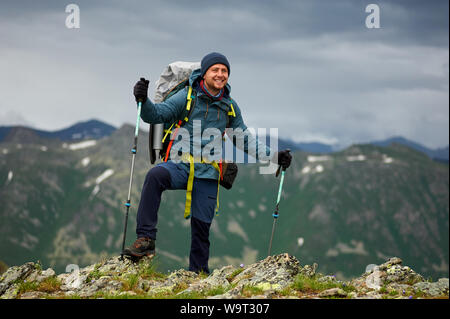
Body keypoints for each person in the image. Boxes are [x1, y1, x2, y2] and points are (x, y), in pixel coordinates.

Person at [123, 52, 292, 273]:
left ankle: (198, 277)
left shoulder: (229, 107)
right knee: (155, 176)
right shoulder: (186, 96)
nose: (220, 74)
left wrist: (274, 156)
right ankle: (145, 240)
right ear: (204, 73)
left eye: (224, 71)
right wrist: (143, 101)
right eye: (215, 70)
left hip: (209, 172)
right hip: (180, 165)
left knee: (202, 230)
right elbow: (156, 115)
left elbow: (245, 139)